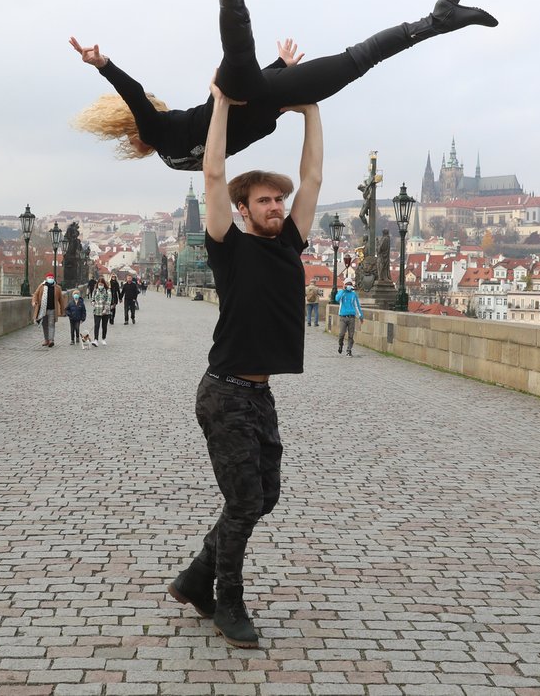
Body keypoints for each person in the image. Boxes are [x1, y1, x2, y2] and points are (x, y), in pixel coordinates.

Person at [70, 0, 496, 171]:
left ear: (133, 135)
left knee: (240, 56)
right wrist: (280, 69)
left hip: (237, 96)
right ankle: (438, 20)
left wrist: (103, 64)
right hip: (270, 97)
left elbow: (134, 93)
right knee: (358, 60)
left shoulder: (156, 132)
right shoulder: (167, 153)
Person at [166, 76, 323, 650]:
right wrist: (223, 108)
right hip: (225, 391)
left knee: (267, 496)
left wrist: (309, 110)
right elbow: (210, 173)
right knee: (245, 502)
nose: (277, 206)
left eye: (278, 200)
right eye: (265, 201)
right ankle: (226, 602)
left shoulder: (289, 242)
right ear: (243, 209)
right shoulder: (228, 245)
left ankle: (193, 578)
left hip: (258, 394)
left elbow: (313, 178)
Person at [32, 273, 65, 347]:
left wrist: (62, 310)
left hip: (52, 310)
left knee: (51, 325)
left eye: (51, 277)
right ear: (46, 278)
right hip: (43, 309)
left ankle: (51, 340)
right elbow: (35, 294)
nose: (50, 278)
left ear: (53, 279)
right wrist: (34, 302)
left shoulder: (57, 288)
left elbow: (61, 300)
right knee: (45, 325)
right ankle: (46, 340)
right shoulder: (42, 286)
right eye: (49, 277)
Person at [335, 280, 364, 356]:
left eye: (350, 284)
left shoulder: (353, 294)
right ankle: (340, 344)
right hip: (343, 317)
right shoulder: (342, 293)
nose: (349, 286)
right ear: (344, 285)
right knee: (341, 334)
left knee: (351, 335)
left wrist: (361, 316)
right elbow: (337, 299)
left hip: (351, 317)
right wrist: (343, 290)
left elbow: (357, 306)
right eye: (347, 284)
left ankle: (349, 350)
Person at [90, 279, 112, 346]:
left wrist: (106, 309)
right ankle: (96, 339)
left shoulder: (108, 291)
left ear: (104, 284)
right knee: (96, 325)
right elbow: (92, 298)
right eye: (99, 284)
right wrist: (92, 302)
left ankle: (103, 339)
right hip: (97, 310)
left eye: (102, 284)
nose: (100, 286)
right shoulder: (95, 290)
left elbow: (109, 301)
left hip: (105, 311)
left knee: (104, 326)